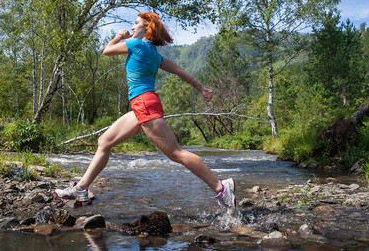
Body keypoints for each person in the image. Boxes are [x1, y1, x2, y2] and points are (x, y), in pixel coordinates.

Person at [54, 12, 236, 212]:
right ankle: (81, 188)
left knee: (176, 153)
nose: (132, 28)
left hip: (144, 104)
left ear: (147, 27)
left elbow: (107, 50)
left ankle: (221, 187)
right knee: (104, 141)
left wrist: (120, 36)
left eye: (135, 24)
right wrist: (200, 87)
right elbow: (179, 70)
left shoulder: (136, 44)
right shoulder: (154, 54)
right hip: (142, 105)